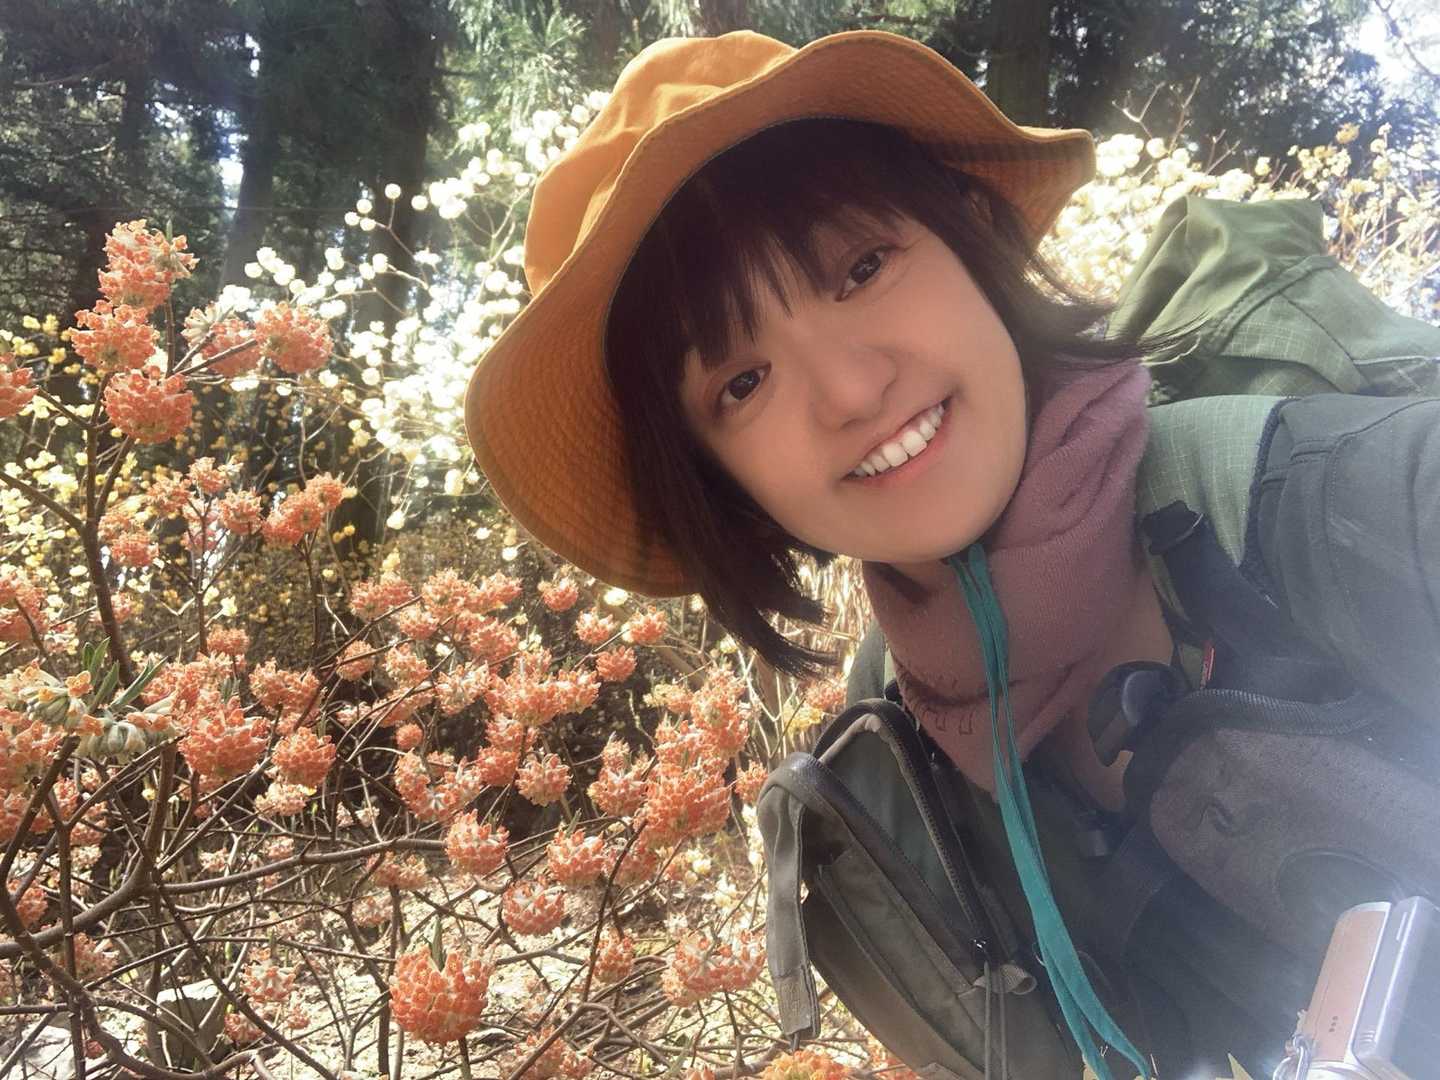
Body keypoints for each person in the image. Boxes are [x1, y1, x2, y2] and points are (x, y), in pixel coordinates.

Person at [464, 28, 1440, 1079]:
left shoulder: (1363, 498)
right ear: (722, 487)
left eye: (863, 267)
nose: (851, 392)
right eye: (741, 383)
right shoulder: (905, 754)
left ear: (971, 236)